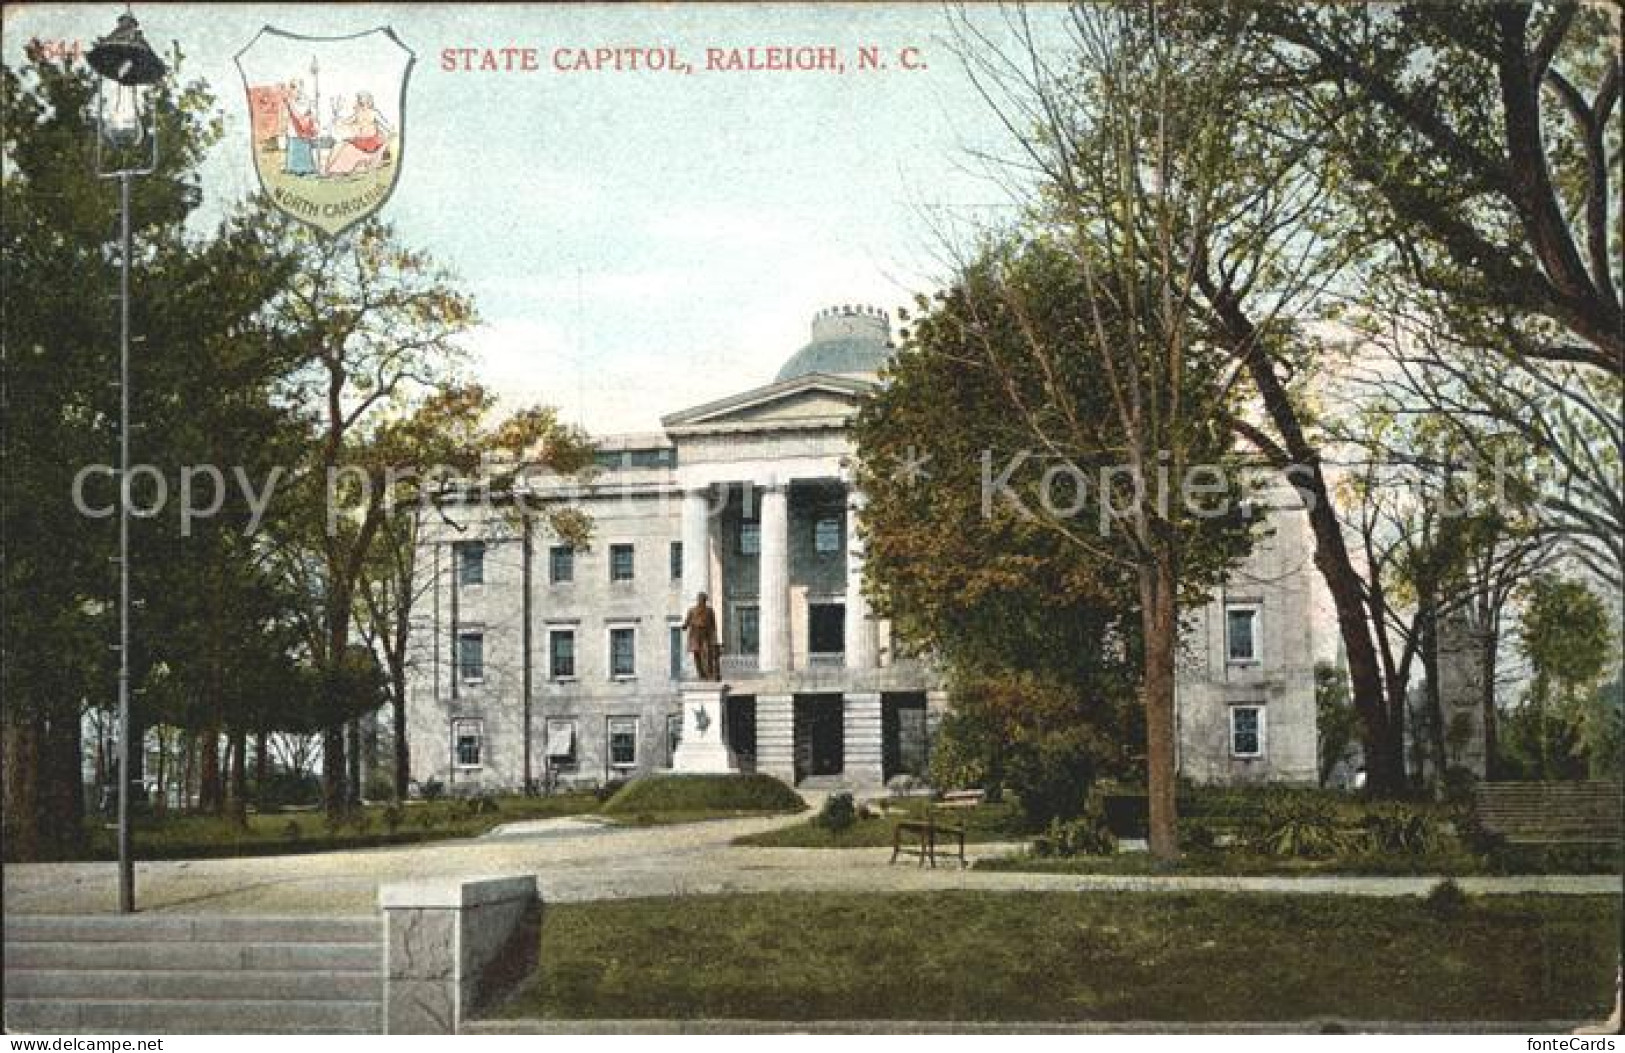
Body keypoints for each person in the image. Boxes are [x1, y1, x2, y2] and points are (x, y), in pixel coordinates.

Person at [322, 91, 390, 177]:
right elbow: (346, 121)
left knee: (344, 147)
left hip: (371, 141)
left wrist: (388, 132)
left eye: (358, 101)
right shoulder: (358, 113)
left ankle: (334, 170)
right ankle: (332, 170)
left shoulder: (374, 113)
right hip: (360, 141)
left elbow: (385, 124)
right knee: (340, 146)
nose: (356, 103)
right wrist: (337, 119)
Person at [681, 592, 721, 681]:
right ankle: (701, 675)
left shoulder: (709, 610)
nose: (701, 601)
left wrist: (714, 637)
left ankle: (709, 674)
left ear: (705, 600)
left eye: (703, 599)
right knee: (697, 655)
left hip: (706, 634)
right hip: (694, 634)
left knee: (707, 654)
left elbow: (713, 625)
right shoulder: (692, 610)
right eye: (700, 599)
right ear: (697, 600)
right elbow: (687, 621)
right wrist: (684, 626)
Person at [282, 79, 318, 177]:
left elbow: (303, 113)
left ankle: (306, 169)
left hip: (303, 129)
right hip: (293, 130)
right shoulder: (290, 100)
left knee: (304, 149)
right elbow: (288, 115)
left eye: (297, 88)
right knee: (294, 148)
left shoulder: (305, 100)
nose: (296, 91)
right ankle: (293, 168)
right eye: (293, 88)